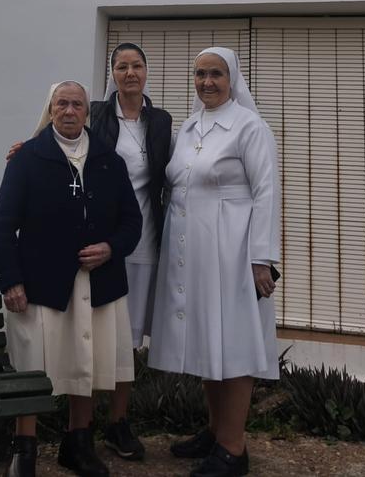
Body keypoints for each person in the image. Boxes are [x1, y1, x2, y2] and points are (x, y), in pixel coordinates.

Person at [0, 81, 142, 477]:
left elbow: (132, 221)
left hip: (98, 281)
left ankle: (78, 444)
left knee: (86, 362)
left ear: (87, 112)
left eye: (77, 104)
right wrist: (10, 280)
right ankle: (24, 449)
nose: (70, 111)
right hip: (41, 282)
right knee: (32, 366)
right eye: (62, 104)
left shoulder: (109, 160)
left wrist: (110, 247)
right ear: (51, 109)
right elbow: (2, 225)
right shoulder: (27, 158)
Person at [148, 48, 281, 477]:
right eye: (200, 73)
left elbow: (266, 192)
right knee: (209, 337)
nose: (207, 82)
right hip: (192, 252)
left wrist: (262, 258)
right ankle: (215, 430)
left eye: (216, 74)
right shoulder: (189, 127)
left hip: (232, 250)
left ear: (232, 78)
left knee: (234, 342)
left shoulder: (250, 126)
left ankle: (233, 448)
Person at [87, 42, 173, 460]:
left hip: (145, 242)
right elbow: (59, 137)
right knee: (93, 334)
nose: (130, 73)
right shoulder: (97, 114)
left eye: (136, 65)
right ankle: (80, 427)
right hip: (102, 244)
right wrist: (24, 150)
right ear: (113, 74)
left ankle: (117, 423)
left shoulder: (161, 122)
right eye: (122, 66)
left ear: (146, 71)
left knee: (128, 340)